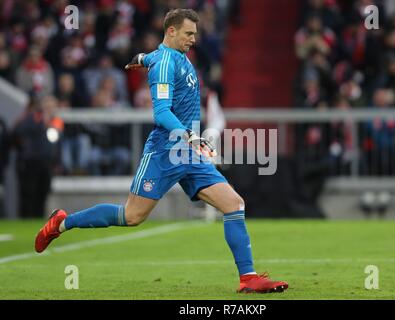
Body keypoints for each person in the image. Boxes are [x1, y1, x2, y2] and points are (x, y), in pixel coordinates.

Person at [34, 9, 288, 294]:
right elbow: (161, 112)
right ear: (171, 31)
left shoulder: (169, 56)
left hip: (188, 154)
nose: (193, 39)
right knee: (131, 216)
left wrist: (141, 59)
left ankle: (248, 278)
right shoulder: (166, 63)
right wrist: (191, 136)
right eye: (188, 33)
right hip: (165, 152)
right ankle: (62, 223)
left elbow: (151, 56)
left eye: (195, 33)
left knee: (234, 204)